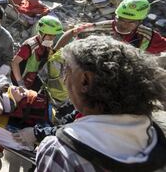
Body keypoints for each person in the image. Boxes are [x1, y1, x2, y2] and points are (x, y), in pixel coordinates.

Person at [36, 35, 166, 171]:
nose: (63, 80)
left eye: (66, 70)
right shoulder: (154, 138)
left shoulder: (61, 152)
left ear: (85, 80)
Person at [54, 0, 166, 54]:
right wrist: (54, 51)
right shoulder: (98, 28)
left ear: (139, 22)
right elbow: (72, 32)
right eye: (120, 19)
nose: (124, 25)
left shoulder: (148, 37)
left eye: (131, 22)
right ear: (115, 16)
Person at [11, 15, 63, 90]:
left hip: (33, 77)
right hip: (21, 78)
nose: (52, 38)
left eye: (54, 36)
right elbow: (14, 63)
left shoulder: (46, 44)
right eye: (50, 36)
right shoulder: (30, 45)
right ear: (42, 33)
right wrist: (20, 83)